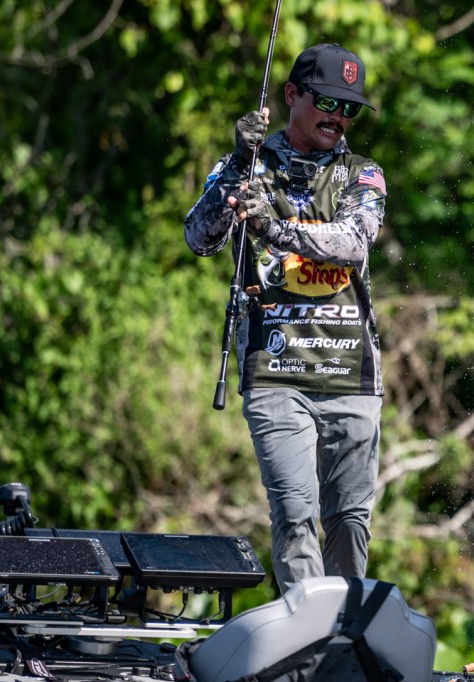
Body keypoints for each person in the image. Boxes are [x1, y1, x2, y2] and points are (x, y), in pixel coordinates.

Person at [184, 43, 386, 594]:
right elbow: (199, 238)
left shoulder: (363, 174)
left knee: (349, 521)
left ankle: (345, 631)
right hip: (275, 373)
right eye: (327, 102)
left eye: (350, 108)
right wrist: (234, 168)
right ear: (292, 94)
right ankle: (306, 632)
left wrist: (275, 228)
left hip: (351, 375)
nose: (338, 117)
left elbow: (353, 243)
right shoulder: (244, 166)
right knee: (296, 515)